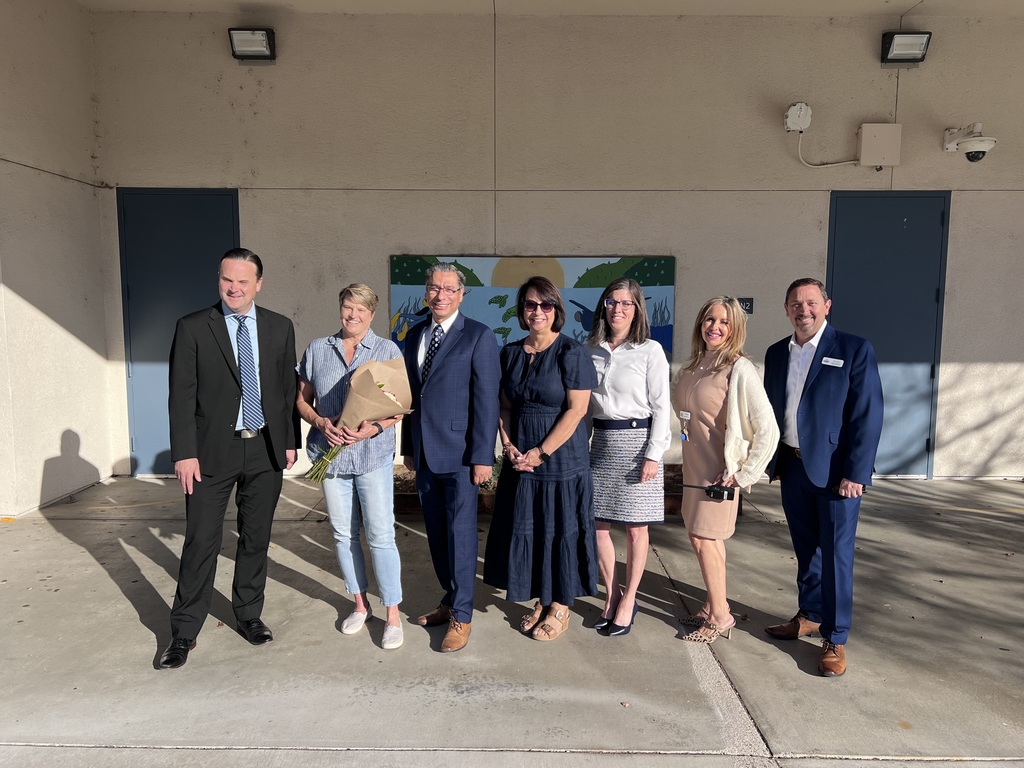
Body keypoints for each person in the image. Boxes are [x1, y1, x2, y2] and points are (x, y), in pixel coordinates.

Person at [160, 248, 301, 669]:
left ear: (259, 284)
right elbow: (181, 395)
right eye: (227, 279)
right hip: (209, 453)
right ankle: (184, 631)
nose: (234, 288)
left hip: (265, 449)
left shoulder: (279, 326)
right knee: (201, 540)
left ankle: (248, 614)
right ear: (218, 280)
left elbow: (285, 390)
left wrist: (289, 441)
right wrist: (184, 453)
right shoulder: (193, 327)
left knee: (255, 538)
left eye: (243, 281)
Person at [763, 278, 883, 677]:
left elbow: (867, 415)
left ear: (826, 306)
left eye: (812, 303)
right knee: (806, 549)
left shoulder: (853, 349)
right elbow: (771, 411)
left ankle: (836, 636)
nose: (804, 310)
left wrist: (856, 472)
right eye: (796, 304)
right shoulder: (777, 353)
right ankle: (811, 614)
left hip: (836, 474)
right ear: (786, 309)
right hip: (792, 466)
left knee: (836, 555)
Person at [483, 276, 599, 642]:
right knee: (531, 528)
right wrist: (508, 445)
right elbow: (503, 405)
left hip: (561, 459)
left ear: (556, 309)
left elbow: (577, 410)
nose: (538, 311)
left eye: (545, 304)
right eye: (530, 305)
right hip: (520, 460)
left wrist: (541, 452)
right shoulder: (510, 353)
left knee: (558, 528)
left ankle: (561, 604)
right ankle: (542, 598)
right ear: (522, 310)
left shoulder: (571, 352)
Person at [296, 284, 406, 651]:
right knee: (343, 534)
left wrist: (372, 428)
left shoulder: (387, 351)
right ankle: (360, 605)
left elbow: (398, 407)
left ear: (372, 314)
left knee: (381, 535)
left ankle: (393, 615)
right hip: (330, 458)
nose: (353, 315)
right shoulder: (317, 349)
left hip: (372, 456)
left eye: (361, 309)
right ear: (340, 308)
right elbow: (302, 399)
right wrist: (319, 421)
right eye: (348, 307)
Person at [401, 263, 500, 653]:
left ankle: (462, 615)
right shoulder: (414, 334)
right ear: (426, 292)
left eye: (448, 289)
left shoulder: (478, 335)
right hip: (425, 452)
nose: (440, 295)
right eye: (433, 288)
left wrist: (483, 456)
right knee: (437, 534)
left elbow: (486, 401)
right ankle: (450, 598)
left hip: (461, 456)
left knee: (460, 536)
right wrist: (409, 448)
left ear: (461, 294)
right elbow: (411, 396)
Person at [672, 297, 779, 644]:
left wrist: (744, 473)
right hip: (694, 468)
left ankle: (721, 615)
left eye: (724, 322)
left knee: (706, 539)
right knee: (700, 538)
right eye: (709, 319)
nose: (714, 327)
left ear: (735, 329)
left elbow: (768, 430)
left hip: (719, 473)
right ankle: (712, 604)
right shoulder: (694, 365)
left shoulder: (739, 369)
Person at [586, 278, 671, 637]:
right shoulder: (590, 349)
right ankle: (612, 594)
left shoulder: (650, 350)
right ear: (603, 306)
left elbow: (662, 406)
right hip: (602, 445)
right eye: (611, 302)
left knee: (636, 529)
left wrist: (654, 454)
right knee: (597, 526)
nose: (617, 309)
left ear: (637, 310)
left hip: (638, 446)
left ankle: (629, 599)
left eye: (626, 303)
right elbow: (584, 406)